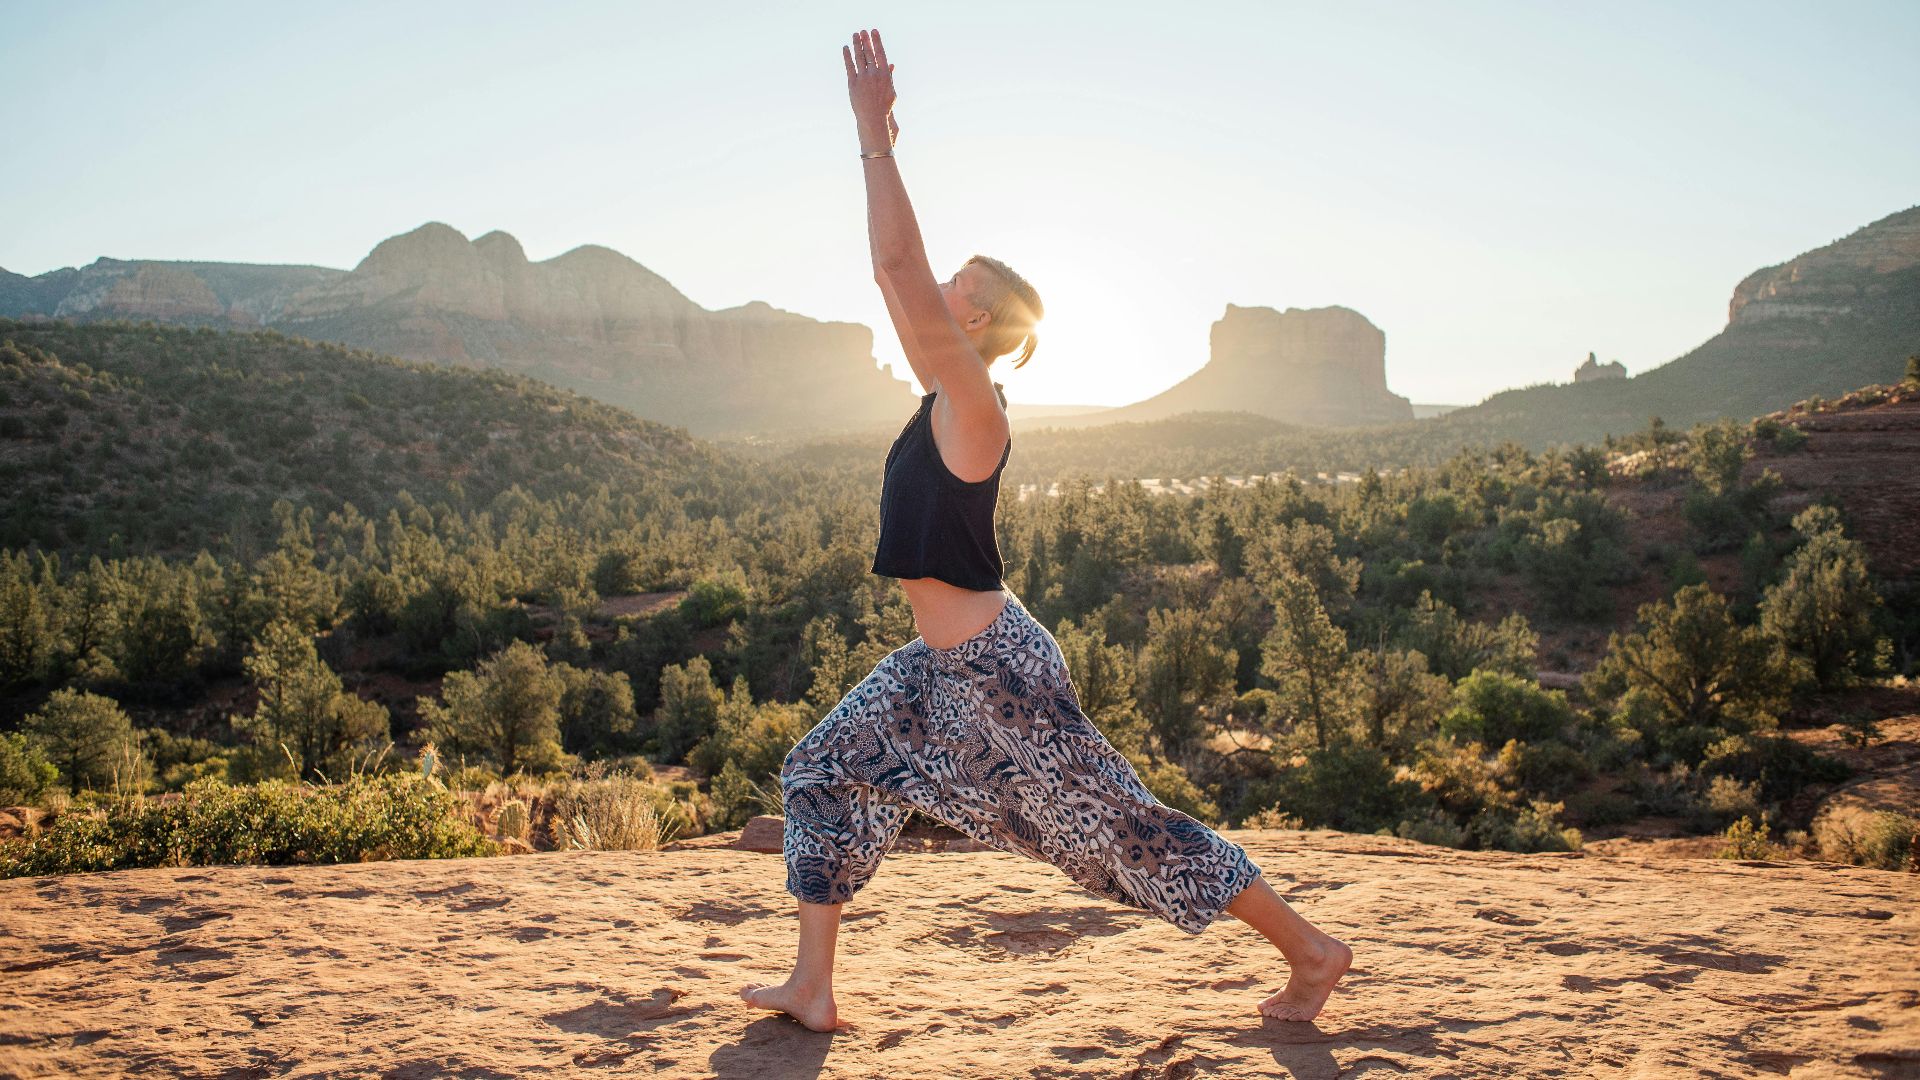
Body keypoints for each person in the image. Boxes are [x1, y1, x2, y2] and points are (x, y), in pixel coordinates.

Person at [741, 28, 1351, 1033]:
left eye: (957, 286)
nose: (937, 292)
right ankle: (812, 985)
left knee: (1122, 833)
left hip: (1000, 675)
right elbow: (897, 279)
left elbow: (896, 264)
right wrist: (880, 150)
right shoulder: (945, 388)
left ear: (979, 323)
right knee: (821, 766)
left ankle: (1312, 950)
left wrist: (873, 137)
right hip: (936, 669)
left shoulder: (974, 404)